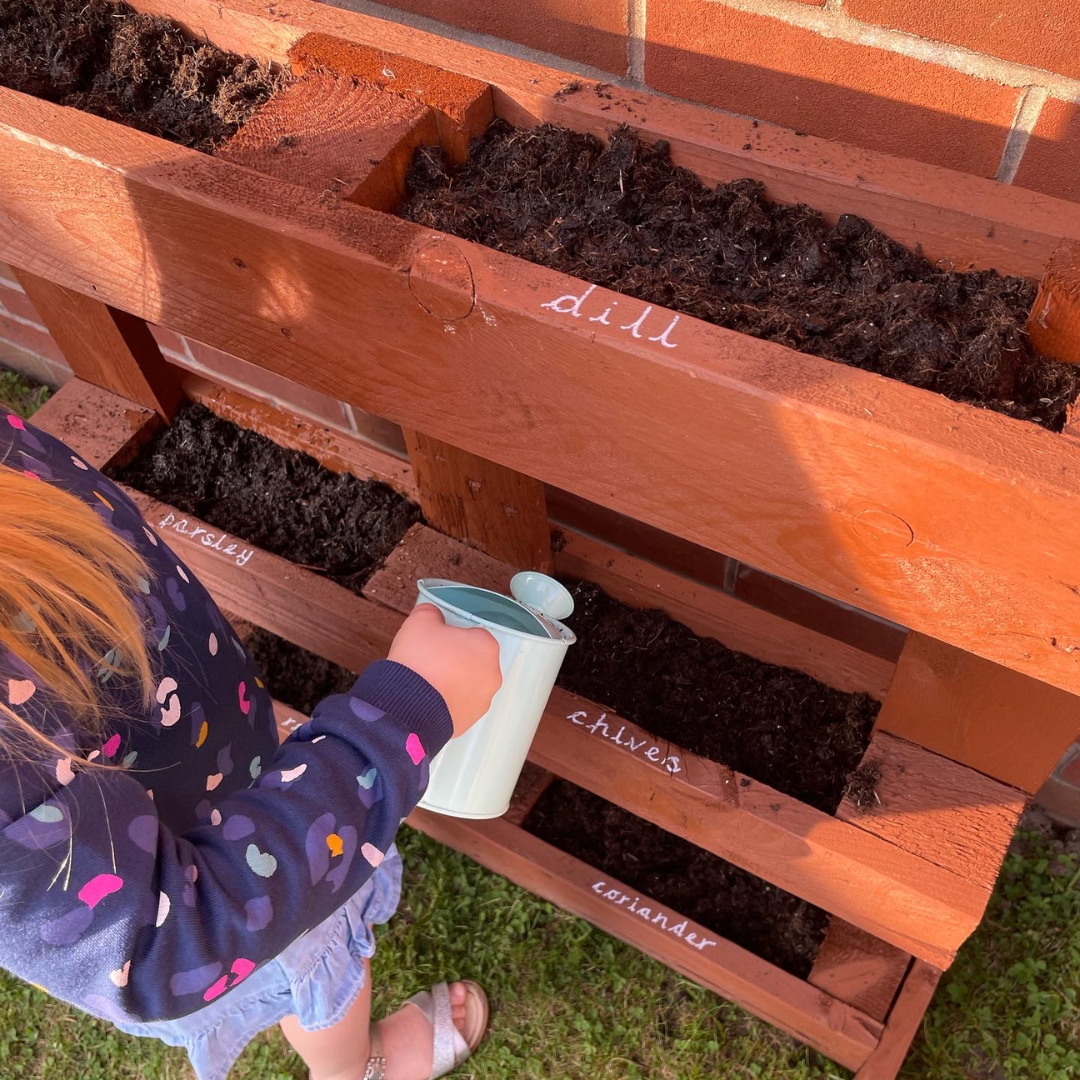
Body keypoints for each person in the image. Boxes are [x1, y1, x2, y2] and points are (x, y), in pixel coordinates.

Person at [0, 407, 503, 1080]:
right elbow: (167, 940)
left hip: (209, 760)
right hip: (228, 873)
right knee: (311, 947)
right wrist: (398, 720)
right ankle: (356, 1068)